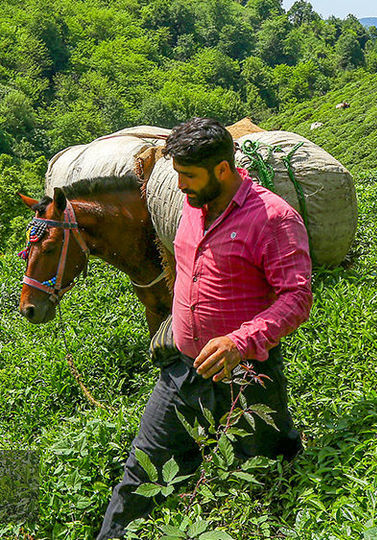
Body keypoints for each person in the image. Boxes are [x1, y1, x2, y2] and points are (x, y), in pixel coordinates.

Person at [95, 117, 312, 539]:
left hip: (246, 378)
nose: (180, 186)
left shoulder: (272, 218)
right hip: (180, 370)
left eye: (188, 176)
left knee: (267, 474)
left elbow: (297, 298)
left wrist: (238, 340)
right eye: (177, 175)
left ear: (223, 170)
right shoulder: (192, 208)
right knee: (141, 471)